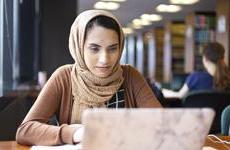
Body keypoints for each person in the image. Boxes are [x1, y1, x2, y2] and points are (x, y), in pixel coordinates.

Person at [16, 10, 161, 146]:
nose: (105, 59)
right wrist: (74, 133)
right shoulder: (64, 77)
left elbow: (163, 124)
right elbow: (25, 130)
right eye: (94, 49)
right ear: (79, 47)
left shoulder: (130, 76)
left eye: (113, 48)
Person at [162, 42, 230, 98]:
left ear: (205, 59)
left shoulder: (196, 78)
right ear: (222, 58)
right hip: (223, 114)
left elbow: (180, 96)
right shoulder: (227, 78)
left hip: (198, 114)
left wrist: (164, 92)